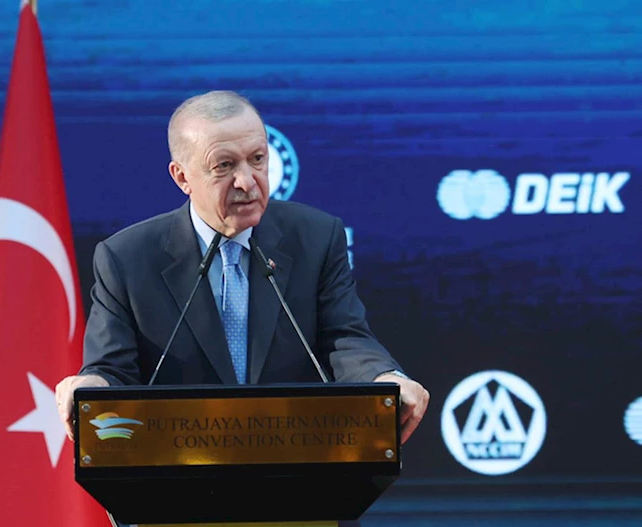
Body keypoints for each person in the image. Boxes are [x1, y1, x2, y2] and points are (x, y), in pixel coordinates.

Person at [56, 90, 429, 446]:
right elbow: (111, 370)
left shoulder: (315, 237)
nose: (247, 182)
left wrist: (385, 378)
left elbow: (344, 338)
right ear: (182, 177)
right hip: (182, 471)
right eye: (224, 165)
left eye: (257, 159)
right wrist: (89, 387)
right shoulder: (127, 258)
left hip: (298, 461)